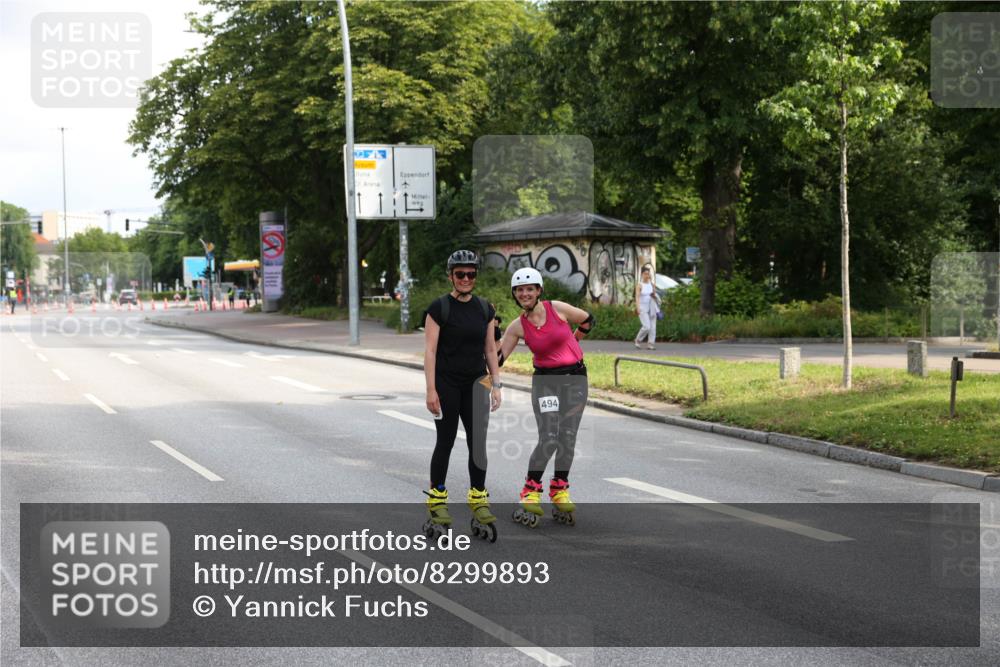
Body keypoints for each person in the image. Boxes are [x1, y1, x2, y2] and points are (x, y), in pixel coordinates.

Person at [498, 268, 595, 527]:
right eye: (520, 290)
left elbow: (588, 320)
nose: (525, 293)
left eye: (530, 288)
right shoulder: (517, 326)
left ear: (539, 290)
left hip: (575, 381)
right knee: (550, 438)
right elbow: (497, 359)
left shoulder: (557, 309)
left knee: (568, 438)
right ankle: (530, 491)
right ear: (515, 295)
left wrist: (574, 341)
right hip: (546, 384)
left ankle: (559, 489)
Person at [422, 250, 503, 541]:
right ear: (451, 276)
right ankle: (437, 500)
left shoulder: (484, 309)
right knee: (445, 442)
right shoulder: (439, 308)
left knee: (477, 443)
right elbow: (430, 351)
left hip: (477, 382)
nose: (466, 279)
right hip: (446, 383)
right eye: (460, 274)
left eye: (471, 274)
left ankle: (478, 500)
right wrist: (431, 389)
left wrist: (496, 383)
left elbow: (491, 349)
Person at [634, 267, 661, 350]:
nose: (647, 275)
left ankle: (650, 344)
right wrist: (637, 307)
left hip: (652, 307)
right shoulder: (639, 285)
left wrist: (654, 295)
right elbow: (637, 297)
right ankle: (638, 340)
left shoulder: (651, 284)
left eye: (648, 273)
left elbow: (655, 295)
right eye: (645, 273)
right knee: (646, 326)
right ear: (642, 274)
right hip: (643, 308)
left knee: (653, 327)